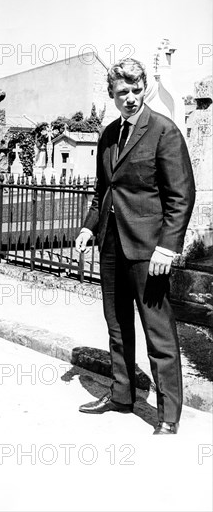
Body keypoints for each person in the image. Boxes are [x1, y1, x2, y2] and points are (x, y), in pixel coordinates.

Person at [75, 59, 195, 435]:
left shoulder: (164, 131)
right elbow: (103, 191)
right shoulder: (109, 134)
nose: (129, 98)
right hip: (111, 245)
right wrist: (88, 228)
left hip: (149, 252)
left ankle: (169, 415)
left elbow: (181, 196)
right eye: (121, 92)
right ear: (111, 94)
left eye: (135, 90)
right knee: (117, 326)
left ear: (145, 88)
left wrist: (167, 248)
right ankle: (122, 395)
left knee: (158, 333)